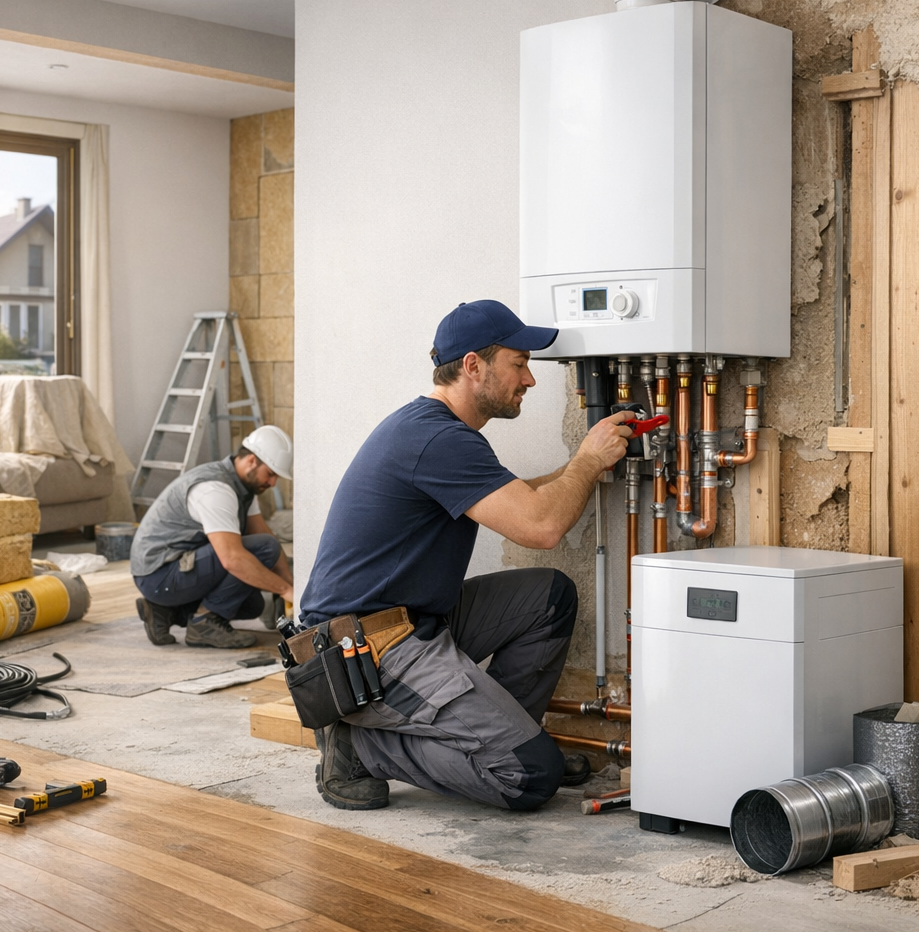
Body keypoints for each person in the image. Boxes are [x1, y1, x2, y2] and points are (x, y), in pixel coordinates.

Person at [299, 300, 634, 811]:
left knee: (548, 597)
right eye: (519, 364)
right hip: (364, 650)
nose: (530, 380)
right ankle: (360, 746)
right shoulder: (437, 438)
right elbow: (540, 525)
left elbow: (521, 498)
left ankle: (511, 739)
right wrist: (586, 462)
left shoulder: (438, 432)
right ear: (475, 365)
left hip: (414, 620)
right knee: (528, 778)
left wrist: (581, 468)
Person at [131, 425, 295, 648]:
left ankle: (165, 612)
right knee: (261, 549)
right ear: (252, 461)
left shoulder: (243, 486)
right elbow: (233, 559)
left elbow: (263, 534)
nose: (273, 483)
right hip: (158, 573)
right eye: (271, 474)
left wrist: (292, 585)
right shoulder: (216, 490)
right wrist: (286, 591)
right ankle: (204, 624)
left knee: (251, 605)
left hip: (170, 569)